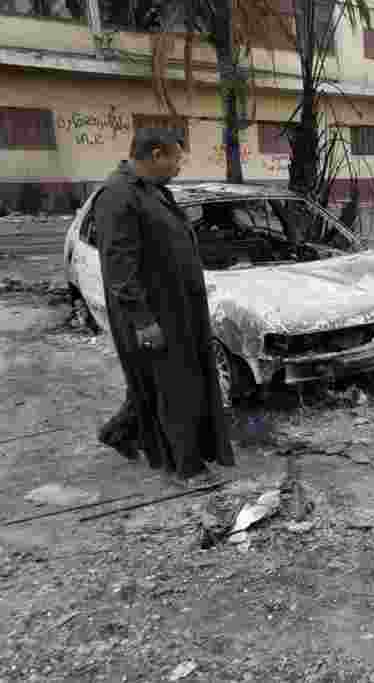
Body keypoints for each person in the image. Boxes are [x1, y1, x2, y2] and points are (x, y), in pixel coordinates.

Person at [95, 127, 235, 487]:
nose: (180, 166)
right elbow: (118, 267)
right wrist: (143, 321)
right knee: (176, 387)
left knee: (156, 383)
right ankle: (187, 468)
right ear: (157, 155)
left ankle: (120, 434)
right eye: (177, 157)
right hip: (154, 314)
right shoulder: (118, 196)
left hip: (176, 307)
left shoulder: (152, 191)